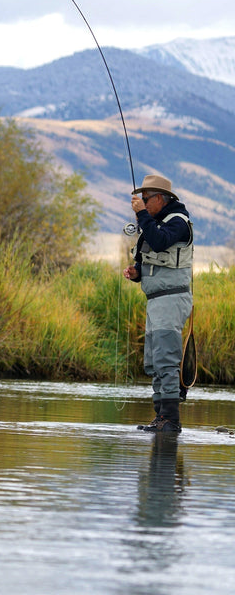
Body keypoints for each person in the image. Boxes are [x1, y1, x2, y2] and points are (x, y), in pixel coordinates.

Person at [123, 174, 193, 433]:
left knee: (166, 359)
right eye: (141, 199)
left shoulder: (178, 222)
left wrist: (142, 216)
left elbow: (161, 241)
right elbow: (151, 256)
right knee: (154, 361)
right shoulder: (157, 222)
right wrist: (137, 272)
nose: (141, 203)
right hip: (156, 300)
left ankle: (171, 421)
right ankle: (160, 416)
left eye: (146, 199)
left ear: (160, 199)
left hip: (172, 299)